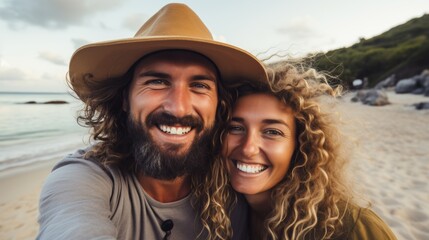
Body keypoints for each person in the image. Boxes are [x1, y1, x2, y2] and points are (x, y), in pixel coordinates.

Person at [37, 3, 268, 239]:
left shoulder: (236, 180)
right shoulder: (85, 177)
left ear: (219, 104)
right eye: (157, 82)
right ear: (124, 98)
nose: (178, 107)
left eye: (199, 86)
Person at [203, 61, 398, 239]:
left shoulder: (353, 228)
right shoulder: (214, 211)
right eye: (235, 128)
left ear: (301, 145)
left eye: (272, 132)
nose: (248, 148)